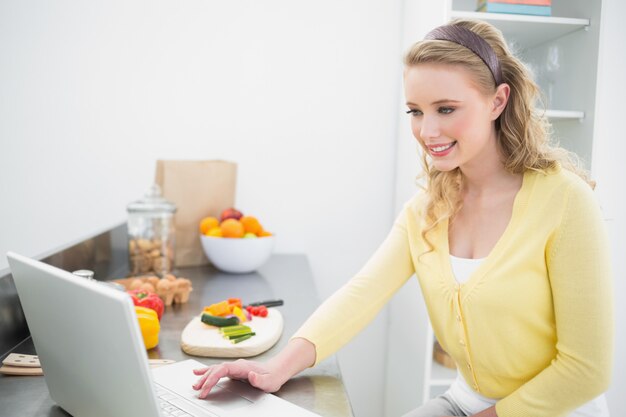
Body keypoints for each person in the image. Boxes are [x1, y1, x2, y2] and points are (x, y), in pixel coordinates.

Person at [191, 18, 614, 417]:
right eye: (415, 111)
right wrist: (276, 368)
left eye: (446, 109)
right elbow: (362, 294)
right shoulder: (429, 208)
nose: (427, 131)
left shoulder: (565, 201)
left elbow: (586, 368)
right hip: (465, 402)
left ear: (497, 101)